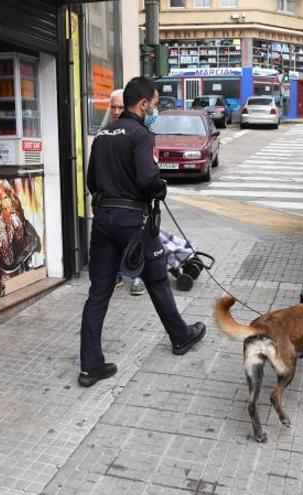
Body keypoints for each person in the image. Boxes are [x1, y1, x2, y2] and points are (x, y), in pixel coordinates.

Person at [79, 77, 206, 387]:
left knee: (99, 291)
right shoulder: (141, 134)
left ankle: (90, 366)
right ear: (143, 104)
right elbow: (148, 179)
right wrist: (160, 188)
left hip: (104, 219)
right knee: (158, 279)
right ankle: (180, 336)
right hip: (133, 221)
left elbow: (91, 181)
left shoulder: (104, 133)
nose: (156, 108)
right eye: (156, 102)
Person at [107, 89, 146, 296]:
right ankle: (117, 276)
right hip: (110, 199)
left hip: (132, 201)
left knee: (134, 239)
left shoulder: (137, 133)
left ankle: (136, 276)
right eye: (112, 107)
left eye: (120, 107)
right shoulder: (105, 132)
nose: (115, 111)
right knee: (112, 242)